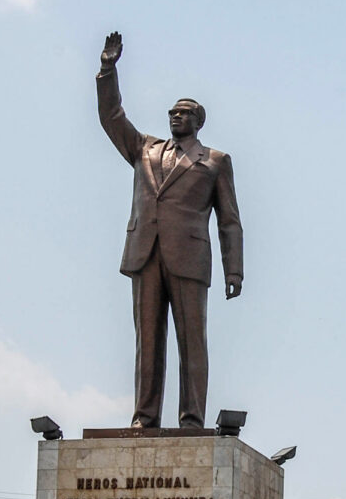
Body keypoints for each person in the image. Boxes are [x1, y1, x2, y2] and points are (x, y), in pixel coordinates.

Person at [96, 31, 244, 429]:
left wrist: (235, 269)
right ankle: (144, 418)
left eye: (183, 113)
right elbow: (112, 118)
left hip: (189, 257)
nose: (174, 116)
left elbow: (229, 219)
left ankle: (192, 419)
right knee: (147, 342)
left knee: (192, 343)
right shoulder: (144, 149)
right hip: (145, 251)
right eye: (172, 112)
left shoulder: (214, 161)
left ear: (198, 121)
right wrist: (108, 70)